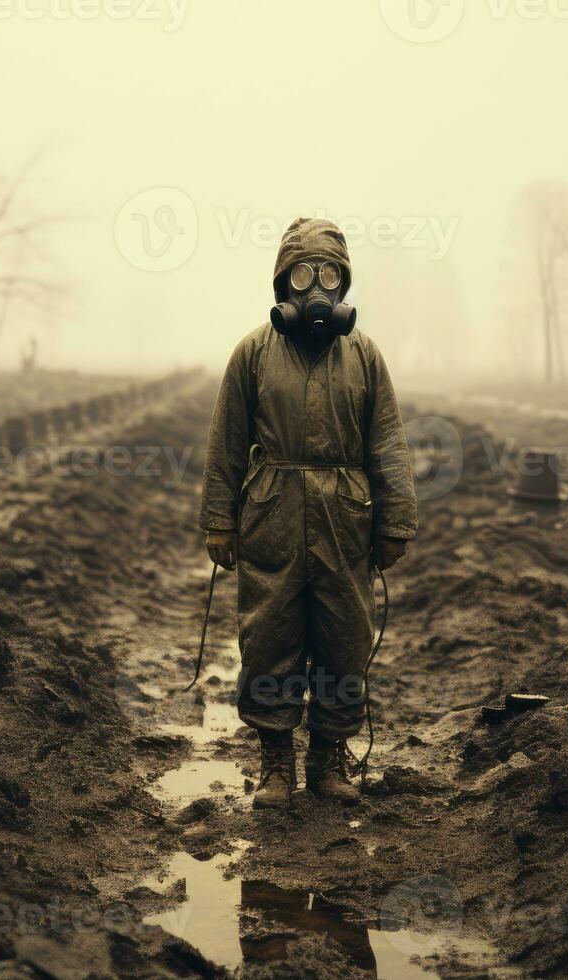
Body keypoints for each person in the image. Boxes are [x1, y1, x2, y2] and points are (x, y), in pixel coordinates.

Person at [198, 217, 418, 809]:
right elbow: (225, 442)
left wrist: (395, 521)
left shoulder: (364, 354)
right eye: (302, 273)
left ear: (343, 284)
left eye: (327, 273)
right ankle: (275, 764)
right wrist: (220, 518)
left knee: (344, 635)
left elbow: (388, 443)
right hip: (271, 513)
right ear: (281, 284)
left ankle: (328, 761)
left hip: (346, 518)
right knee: (269, 637)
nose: (314, 287)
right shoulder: (253, 353)